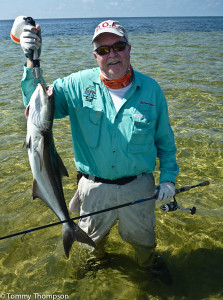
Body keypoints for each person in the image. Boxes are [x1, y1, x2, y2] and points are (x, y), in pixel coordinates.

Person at [20, 20, 179, 282]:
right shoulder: (76, 85)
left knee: (144, 245)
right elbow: (35, 106)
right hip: (93, 190)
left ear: (129, 48)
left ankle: (149, 266)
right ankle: (95, 273)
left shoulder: (151, 89)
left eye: (118, 46)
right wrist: (31, 60)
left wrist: (169, 180)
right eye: (103, 50)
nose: (111, 54)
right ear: (95, 55)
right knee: (91, 248)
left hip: (138, 188)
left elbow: (166, 142)